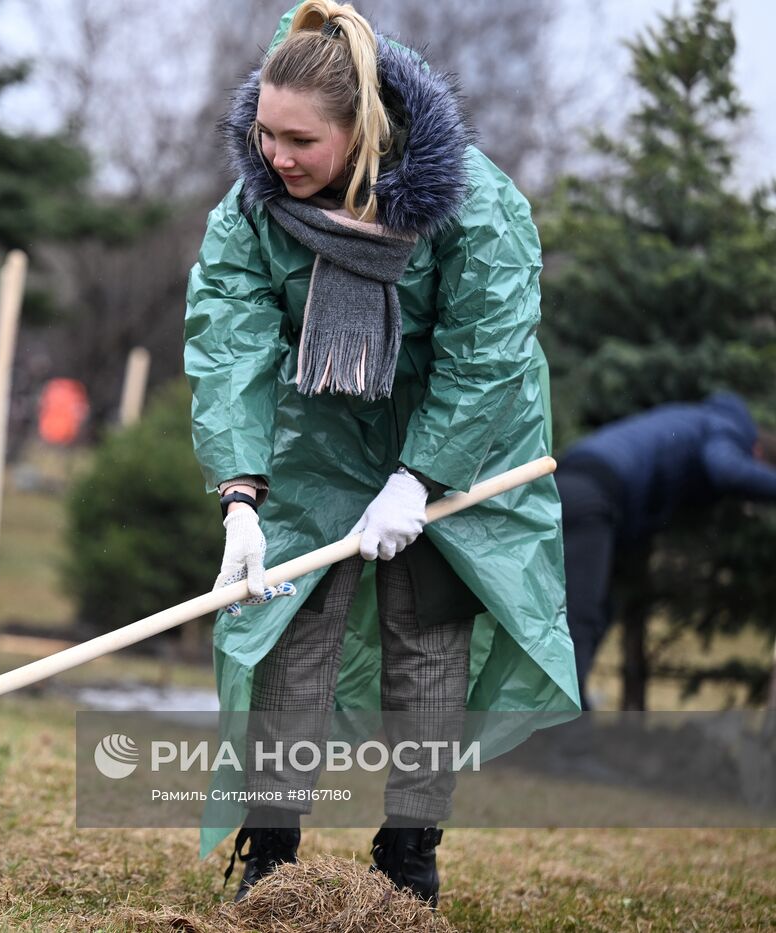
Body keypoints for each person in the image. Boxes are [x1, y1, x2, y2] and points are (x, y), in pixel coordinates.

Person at [184, 1, 576, 907]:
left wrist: (422, 476)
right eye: (262, 131)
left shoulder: (473, 201)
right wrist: (240, 494)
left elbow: (491, 351)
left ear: (362, 133)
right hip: (323, 424)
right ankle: (271, 847)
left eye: (300, 140)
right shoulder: (252, 209)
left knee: (428, 630)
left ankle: (409, 855)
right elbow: (230, 344)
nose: (275, 155)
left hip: (465, 434)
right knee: (285, 618)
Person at [557, 392, 776, 708]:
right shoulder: (727, 429)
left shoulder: (697, 419)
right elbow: (727, 470)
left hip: (575, 485)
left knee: (594, 610)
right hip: (591, 496)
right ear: (756, 453)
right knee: (581, 617)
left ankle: (562, 724)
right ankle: (563, 737)